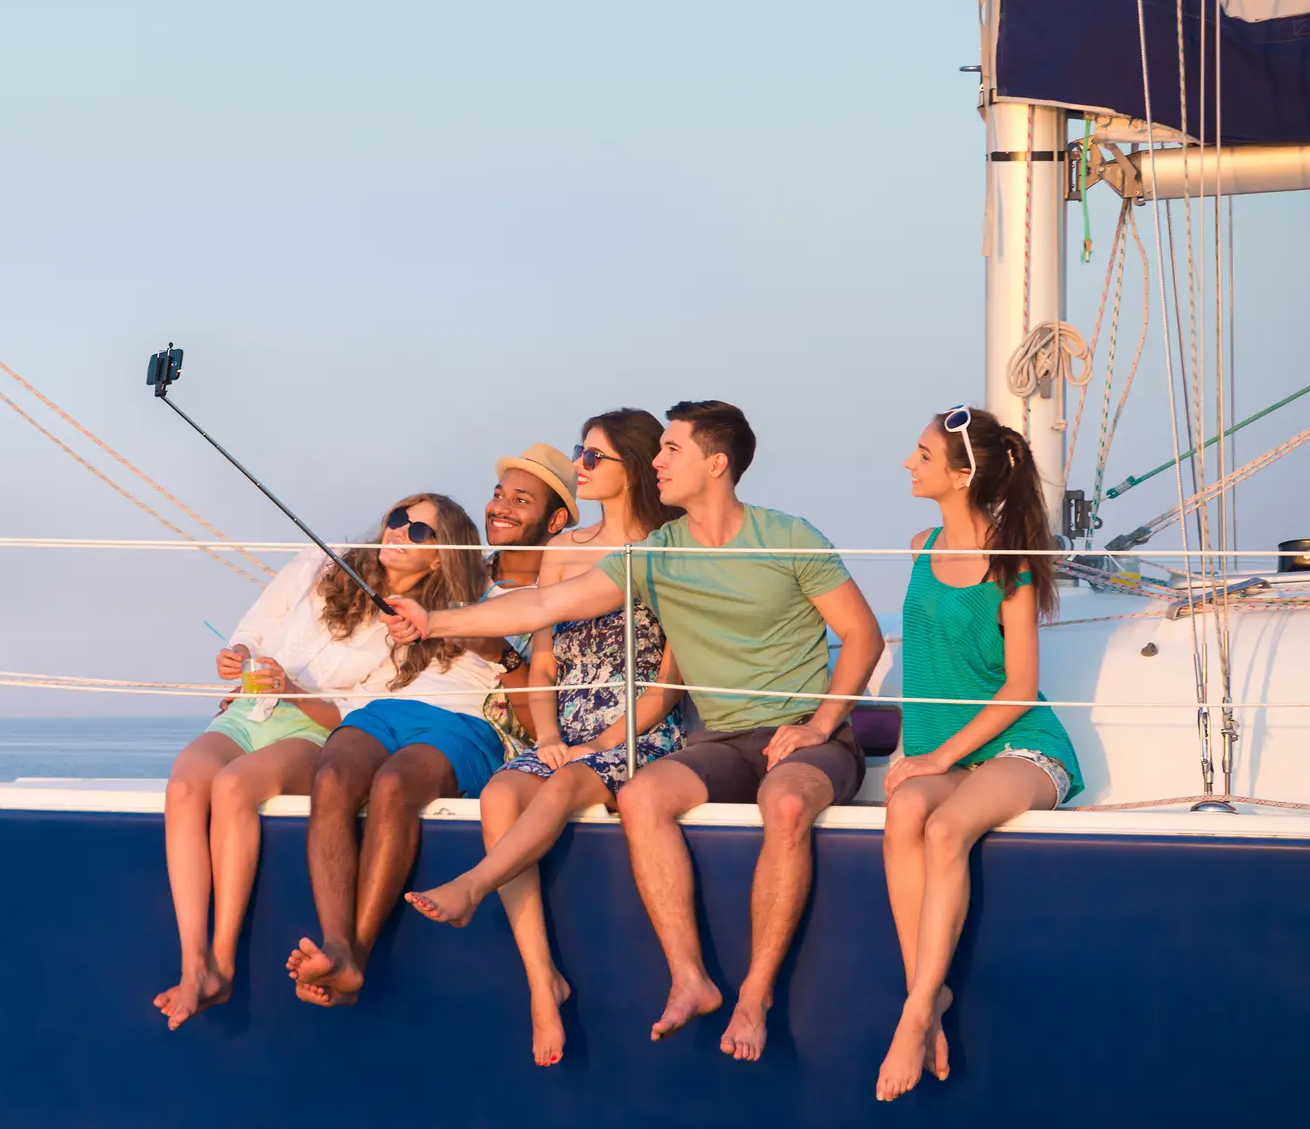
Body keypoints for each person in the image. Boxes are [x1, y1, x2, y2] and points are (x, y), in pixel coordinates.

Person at [384, 401, 885, 1061]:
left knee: (785, 802)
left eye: (671, 449)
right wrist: (432, 620)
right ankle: (690, 976)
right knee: (642, 795)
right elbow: (546, 603)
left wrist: (820, 722)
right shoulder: (659, 553)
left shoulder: (787, 535)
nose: (657, 461)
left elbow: (863, 636)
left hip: (807, 734)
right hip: (723, 740)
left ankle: (755, 994)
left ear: (716, 463)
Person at [405, 409, 686, 1068]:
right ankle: (542, 979)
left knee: (558, 783)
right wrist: (555, 730)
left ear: (632, 470)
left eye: (592, 458)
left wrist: (599, 743)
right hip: (569, 727)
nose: (581, 467)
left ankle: (472, 887)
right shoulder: (563, 552)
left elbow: (670, 683)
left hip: (642, 726)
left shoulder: (670, 548)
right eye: (579, 454)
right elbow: (542, 662)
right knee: (503, 791)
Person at [153, 493, 492, 1030]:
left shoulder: (421, 626)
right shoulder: (324, 560)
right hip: (251, 707)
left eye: (419, 532)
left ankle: (221, 962)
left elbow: (356, 716)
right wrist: (238, 653)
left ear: (441, 557)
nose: (399, 532)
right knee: (185, 787)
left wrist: (292, 690)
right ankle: (192, 963)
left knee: (234, 788)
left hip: (314, 728)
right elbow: (258, 622)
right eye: (397, 520)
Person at [287, 448, 576, 1008]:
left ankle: (354, 958)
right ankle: (337, 945)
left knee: (395, 786)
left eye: (522, 500)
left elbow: (532, 713)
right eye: (499, 494)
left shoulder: (557, 590)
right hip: (395, 707)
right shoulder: (456, 575)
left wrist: (499, 651)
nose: (502, 507)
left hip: (467, 723)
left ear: (557, 519)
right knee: (334, 774)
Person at [874, 406, 1082, 1102]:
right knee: (901, 810)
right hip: (951, 754)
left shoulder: (1010, 560)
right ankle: (925, 997)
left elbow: (1020, 687)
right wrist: (930, 761)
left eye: (924, 454)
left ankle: (911, 1014)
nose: (909, 461)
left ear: (961, 475)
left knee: (943, 826)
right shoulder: (918, 545)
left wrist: (937, 759)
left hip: (1021, 746)